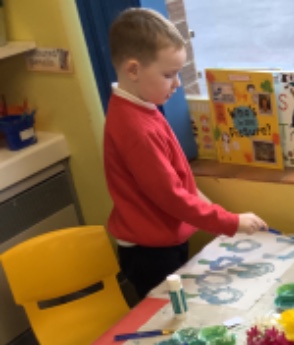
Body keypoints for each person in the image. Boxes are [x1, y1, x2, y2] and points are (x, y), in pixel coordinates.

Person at [104, 8, 267, 299]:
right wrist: (230, 222)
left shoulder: (141, 107)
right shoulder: (135, 127)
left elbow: (179, 181)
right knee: (169, 313)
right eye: (169, 75)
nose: (177, 83)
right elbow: (172, 196)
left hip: (162, 241)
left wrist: (218, 214)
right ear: (133, 70)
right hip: (149, 252)